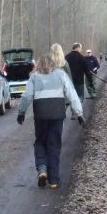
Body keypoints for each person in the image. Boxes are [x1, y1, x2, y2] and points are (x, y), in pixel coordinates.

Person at [17, 53, 84, 189]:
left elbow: (27, 96)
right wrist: (79, 113)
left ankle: (42, 168)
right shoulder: (61, 74)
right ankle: (54, 180)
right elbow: (71, 93)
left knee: (40, 141)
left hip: (41, 115)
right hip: (57, 114)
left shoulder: (34, 77)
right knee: (54, 144)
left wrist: (21, 112)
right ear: (53, 64)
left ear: (39, 64)